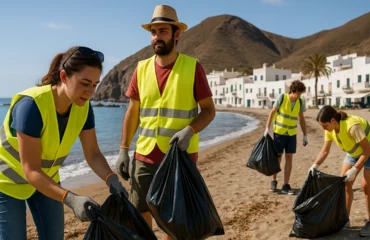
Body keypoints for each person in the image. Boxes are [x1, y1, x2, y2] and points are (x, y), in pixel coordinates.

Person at [0, 46, 128, 239]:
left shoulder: (83, 108)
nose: (90, 92)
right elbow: (31, 170)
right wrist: (71, 199)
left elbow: (92, 153)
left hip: (46, 179)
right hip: (7, 182)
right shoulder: (31, 106)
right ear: (63, 76)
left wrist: (112, 179)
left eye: (94, 84)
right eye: (84, 83)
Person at [115, 4, 215, 240]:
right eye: (154, 32)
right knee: (140, 215)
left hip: (179, 158)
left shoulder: (193, 67)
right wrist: (123, 150)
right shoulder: (140, 69)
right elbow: (133, 112)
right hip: (144, 156)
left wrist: (190, 131)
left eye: (163, 31)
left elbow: (209, 110)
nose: (157, 37)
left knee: (173, 222)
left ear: (176, 34)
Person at [309, 105, 370, 237]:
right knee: (344, 183)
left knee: (366, 186)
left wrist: (355, 169)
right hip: (354, 151)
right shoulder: (330, 129)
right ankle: (345, 219)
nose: (324, 129)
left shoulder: (352, 126)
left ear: (333, 120)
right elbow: (325, 150)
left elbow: (367, 150)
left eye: (325, 125)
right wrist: (315, 165)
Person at [264, 80, 307, 195]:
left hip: (292, 133)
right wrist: (267, 129)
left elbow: (302, 119)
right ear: (293, 91)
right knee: (278, 157)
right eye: (298, 93)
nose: (299, 96)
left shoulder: (301, 102)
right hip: (279, 132)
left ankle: (286, 185)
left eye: (301, 94)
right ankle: (273, 181)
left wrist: (305, 135)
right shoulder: (282, 98)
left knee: (289, 158)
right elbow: (272, 113)